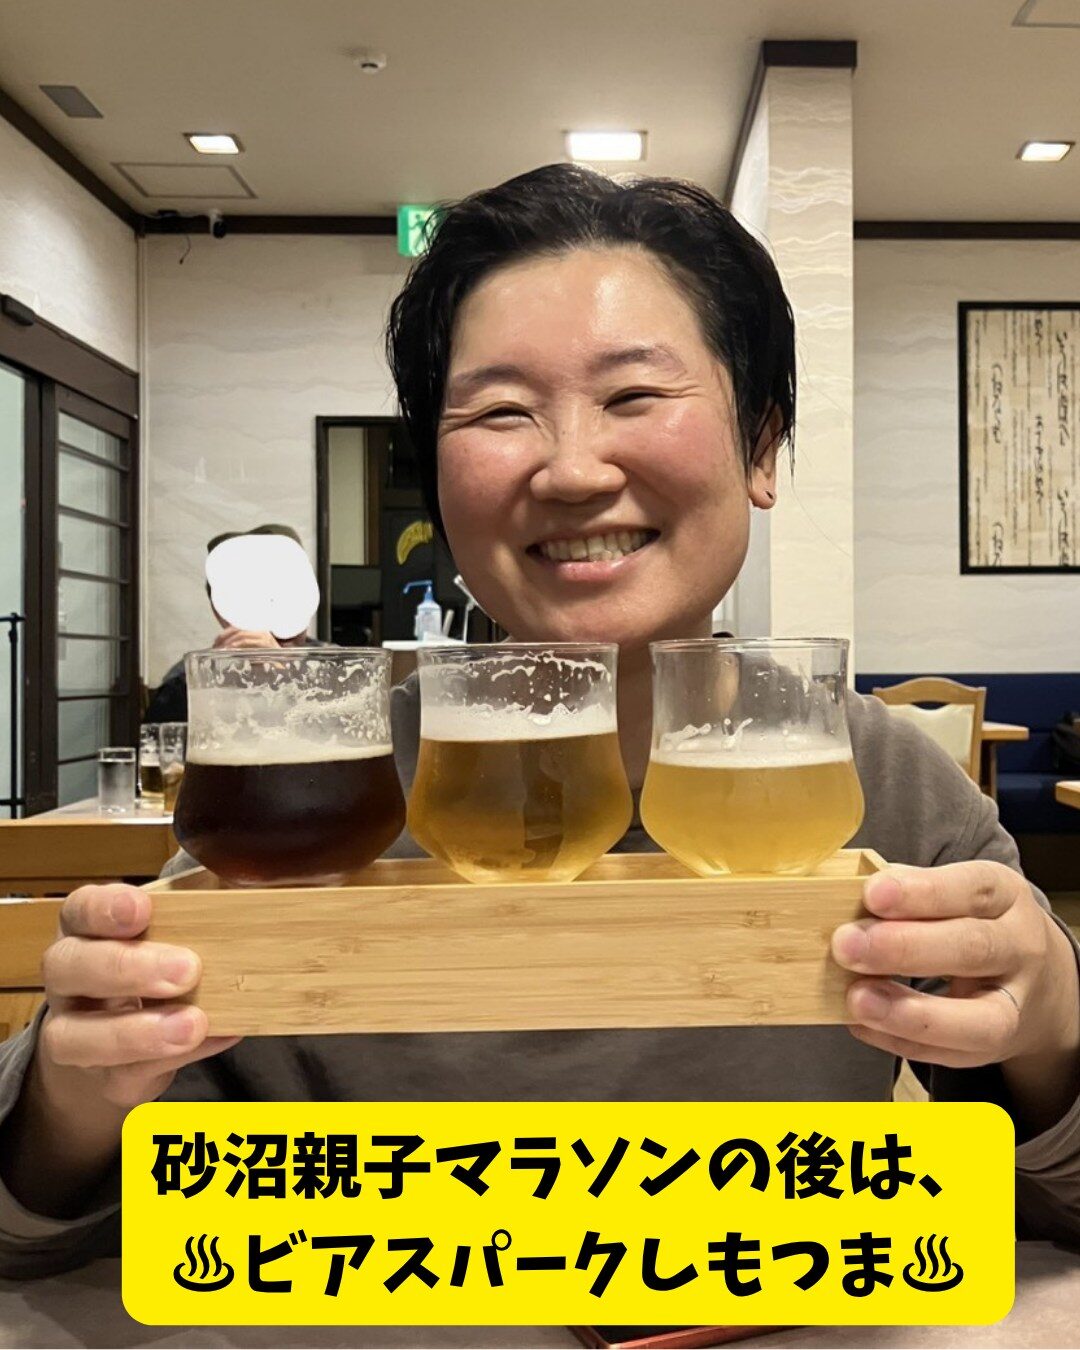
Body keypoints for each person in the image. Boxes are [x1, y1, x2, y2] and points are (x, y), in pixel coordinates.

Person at [1, 165, 1078, 1280]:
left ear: (761, 447)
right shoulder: (317, 793)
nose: (570, 469)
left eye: (634, 396)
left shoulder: (883, 787)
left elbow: (1049, 1219)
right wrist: (71, 1101)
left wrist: (1051, 1028)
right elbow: (46, 1245)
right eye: (501, 411)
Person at [142, 523, 321, 724]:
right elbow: (163, 740)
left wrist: (285, 681)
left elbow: (340, 731)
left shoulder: (340, 670)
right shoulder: (190, 682)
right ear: (220, 613)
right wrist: (214, 685)